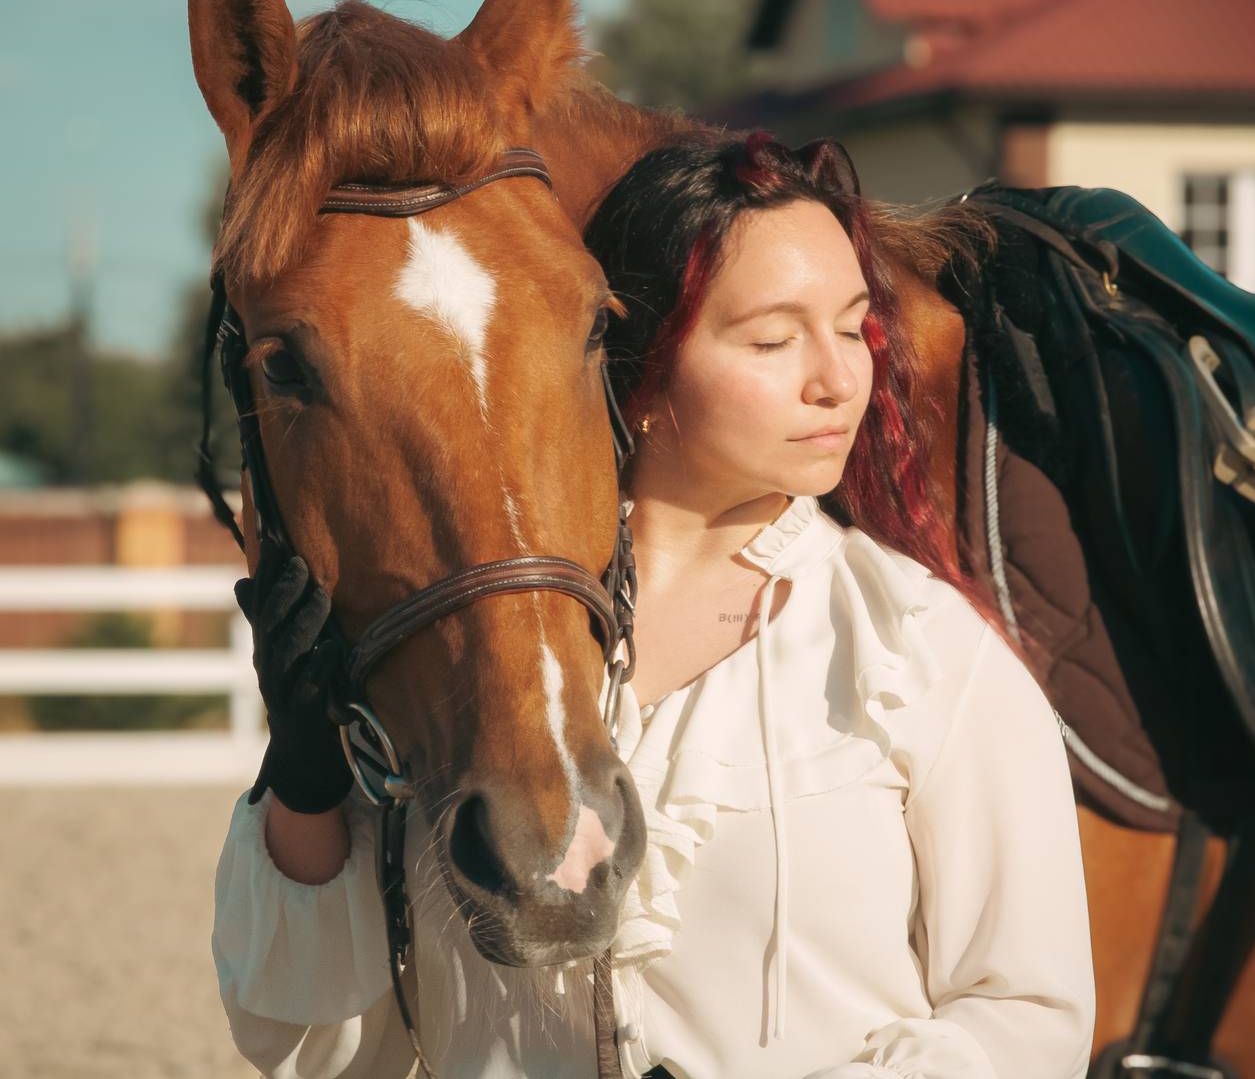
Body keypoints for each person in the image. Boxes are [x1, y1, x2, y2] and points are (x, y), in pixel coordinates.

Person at [211, 130, 1095, 1078]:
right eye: (773, 338)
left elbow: (1028, 1017)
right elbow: (317, 1052)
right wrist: (305, 786)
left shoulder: (923, 650)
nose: (840, 380)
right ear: (641, 363)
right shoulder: (463, 642)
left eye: (852, 328)